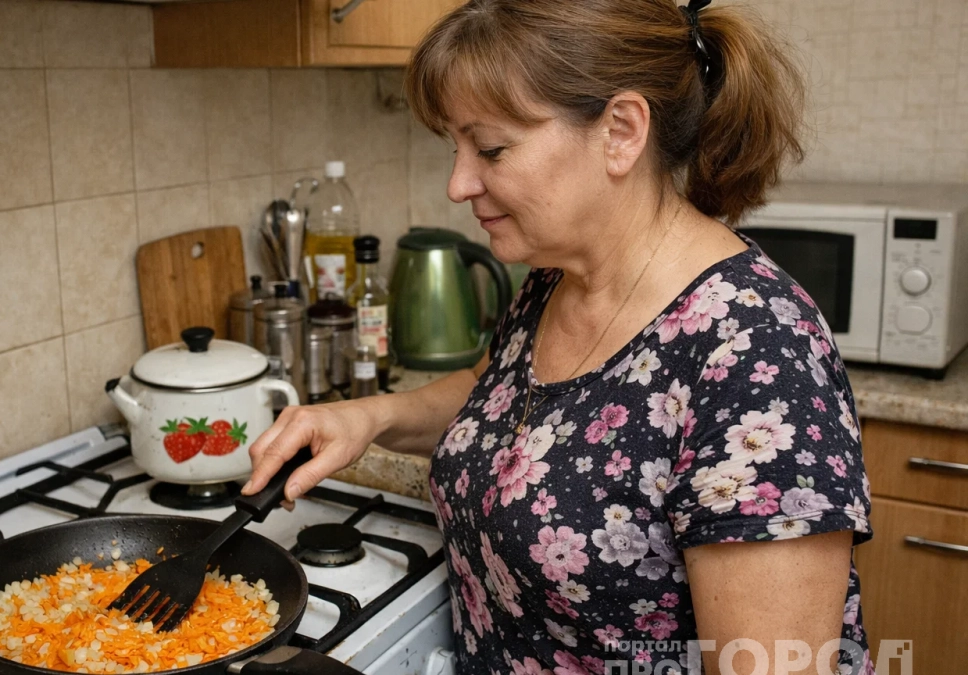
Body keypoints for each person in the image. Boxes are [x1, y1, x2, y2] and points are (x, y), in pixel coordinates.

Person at [243, 1, 873, 673]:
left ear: (621, 131)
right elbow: (498, 397)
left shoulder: (758, 353)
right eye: (456, 149)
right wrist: (367, 417)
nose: (458, 183)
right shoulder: (556, 276)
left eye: (490, 149)